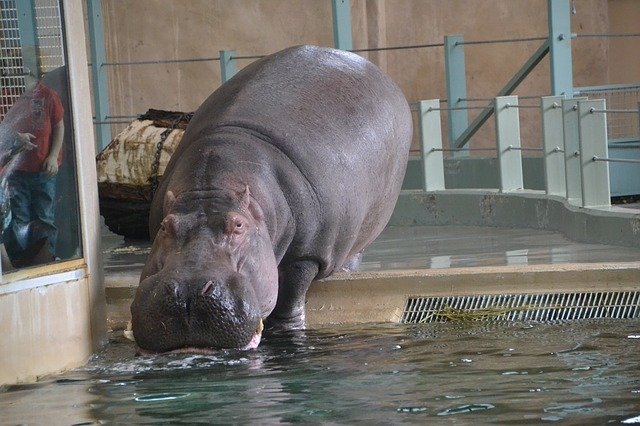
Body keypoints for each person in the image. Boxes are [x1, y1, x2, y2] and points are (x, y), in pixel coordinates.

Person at [1, 68, 64, 267]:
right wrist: (16, 139)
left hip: (43, 169)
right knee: (20, 217)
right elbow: (5, 129)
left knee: (45, 215)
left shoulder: (48, 96)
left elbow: (59, 126)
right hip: (16, 169)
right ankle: (23, 259)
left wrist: (53, 156)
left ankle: (47, 256)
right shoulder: (9, 96)